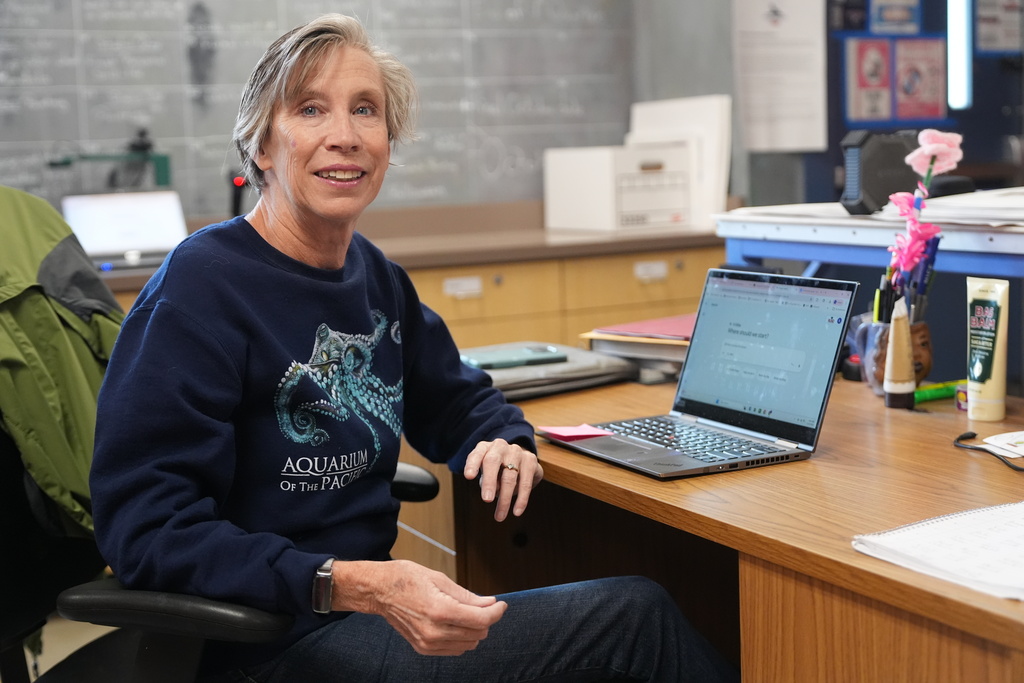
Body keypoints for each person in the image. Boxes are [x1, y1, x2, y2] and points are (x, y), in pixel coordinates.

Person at [89, 14, 739, 682]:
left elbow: (456, 397)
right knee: (634, 619)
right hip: (272, 643)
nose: (344, 136)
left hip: (361, 621)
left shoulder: (373, 277)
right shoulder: (200, 289)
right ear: (260, 143)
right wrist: (353, 584)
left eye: (365, 111)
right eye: (311, 109)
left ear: (387, 143)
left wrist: (501, 437)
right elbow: (145, 530)